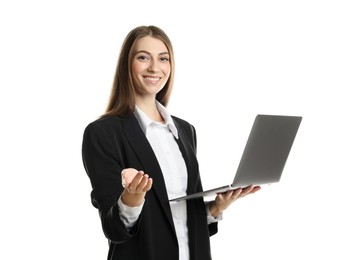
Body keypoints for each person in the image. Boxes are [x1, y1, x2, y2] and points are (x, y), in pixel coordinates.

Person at [81, 25, 261, 260]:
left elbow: (178, 219)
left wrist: (215, 208)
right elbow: (113, 228)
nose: (155, 68)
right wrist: (131, 200)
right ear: (127, 64)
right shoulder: (102, 133)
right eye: (143, 57)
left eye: (163, 59)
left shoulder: (185, 130)